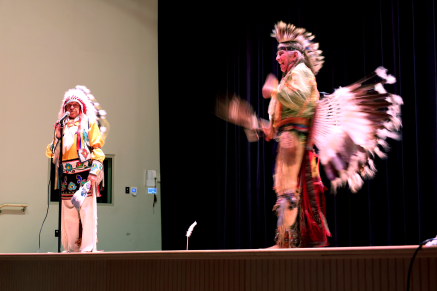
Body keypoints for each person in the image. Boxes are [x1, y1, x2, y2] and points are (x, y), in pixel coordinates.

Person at [260, 21, 330, 248]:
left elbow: (299, 99)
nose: (277, 58)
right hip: (288, 138)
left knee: (288, 193)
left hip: (295, 139)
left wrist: (274, 90)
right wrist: (270, 129)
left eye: (281, 53)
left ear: (294, 54)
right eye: (277, 53)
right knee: (285, 192)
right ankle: (286, 240)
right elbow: (281, 113)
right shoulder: (290, 76)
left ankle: (285, 242)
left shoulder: (300, 72)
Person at [46, 86, 105, 252]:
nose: (71, 107)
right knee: (69, 212)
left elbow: (97, 149)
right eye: (68, 105)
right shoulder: (62, 127)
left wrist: (94, 171)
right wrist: (57, 136)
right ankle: (71, 248)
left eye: (75, 104)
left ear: (81, 107)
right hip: (67, 175)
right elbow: (51, 152)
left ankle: (86, 248)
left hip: (85, 173)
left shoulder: (89, 123)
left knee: (86, 211)